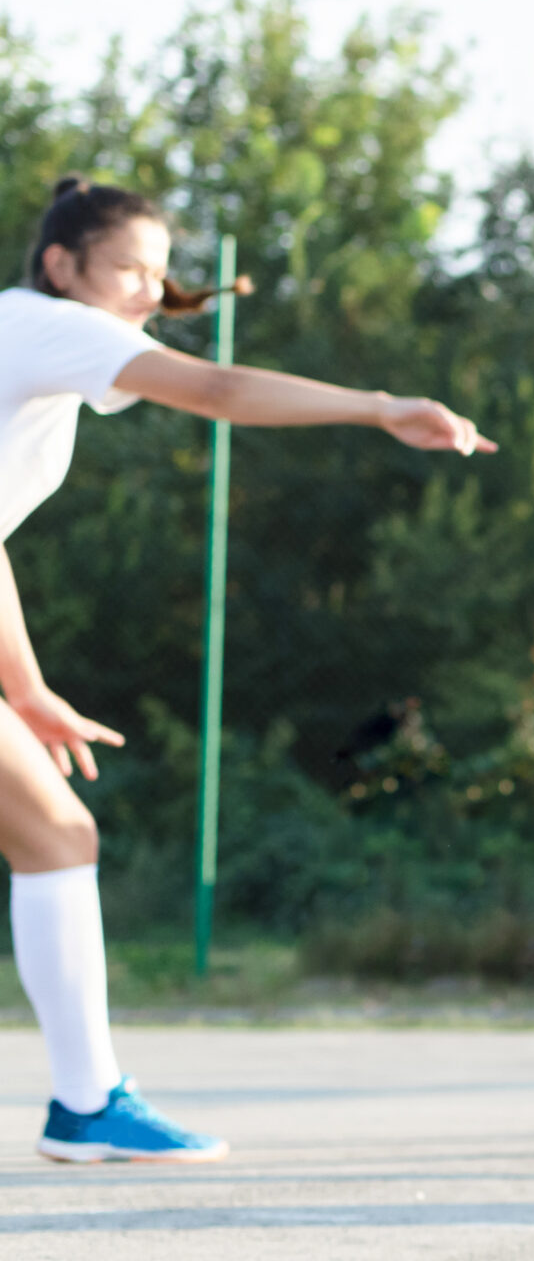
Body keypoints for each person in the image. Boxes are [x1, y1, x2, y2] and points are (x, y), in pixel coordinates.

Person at [4, 177, 488, 1163]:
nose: (149, 288)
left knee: (57, 833)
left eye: (158, 270)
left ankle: (87, 1102)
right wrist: (381, 405)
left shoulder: (31, 343)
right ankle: (87, 1103)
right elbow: (218, 391)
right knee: (57, 833)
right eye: (129, 268)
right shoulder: (57, 329)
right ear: (63, 266)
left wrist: (25, 687)